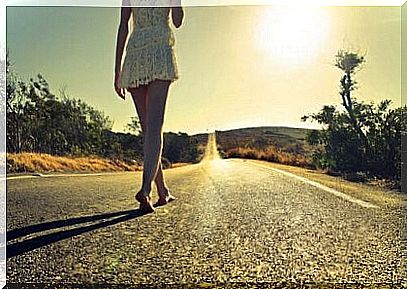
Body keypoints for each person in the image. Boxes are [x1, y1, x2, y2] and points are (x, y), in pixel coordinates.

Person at [114, 0, 184, 213]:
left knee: (149, 130)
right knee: (154, 128)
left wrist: (117, 71)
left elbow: (123, 26)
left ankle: (162, 191)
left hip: (135, 54)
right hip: (159, 53)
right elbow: (178, 21)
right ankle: (146, 190)